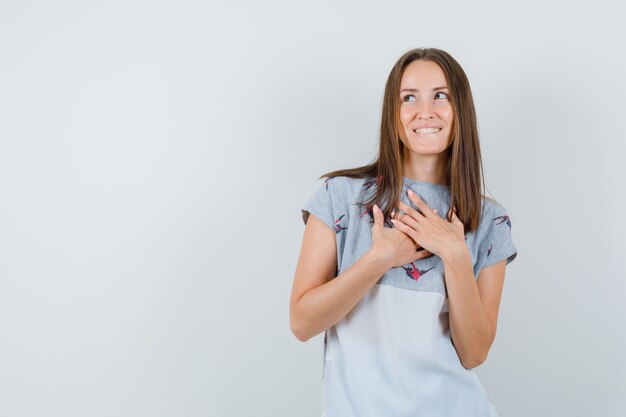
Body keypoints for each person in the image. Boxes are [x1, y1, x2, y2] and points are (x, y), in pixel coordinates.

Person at [289, 47, 518, 417]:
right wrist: (379, 259)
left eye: (440, 96)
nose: (424, 111)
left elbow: (474, 353)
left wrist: (456, 256)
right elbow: (301, 323)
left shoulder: (490, 221)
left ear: (460, 110)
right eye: (409, 97)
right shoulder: (339, 197)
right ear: (392, 114)